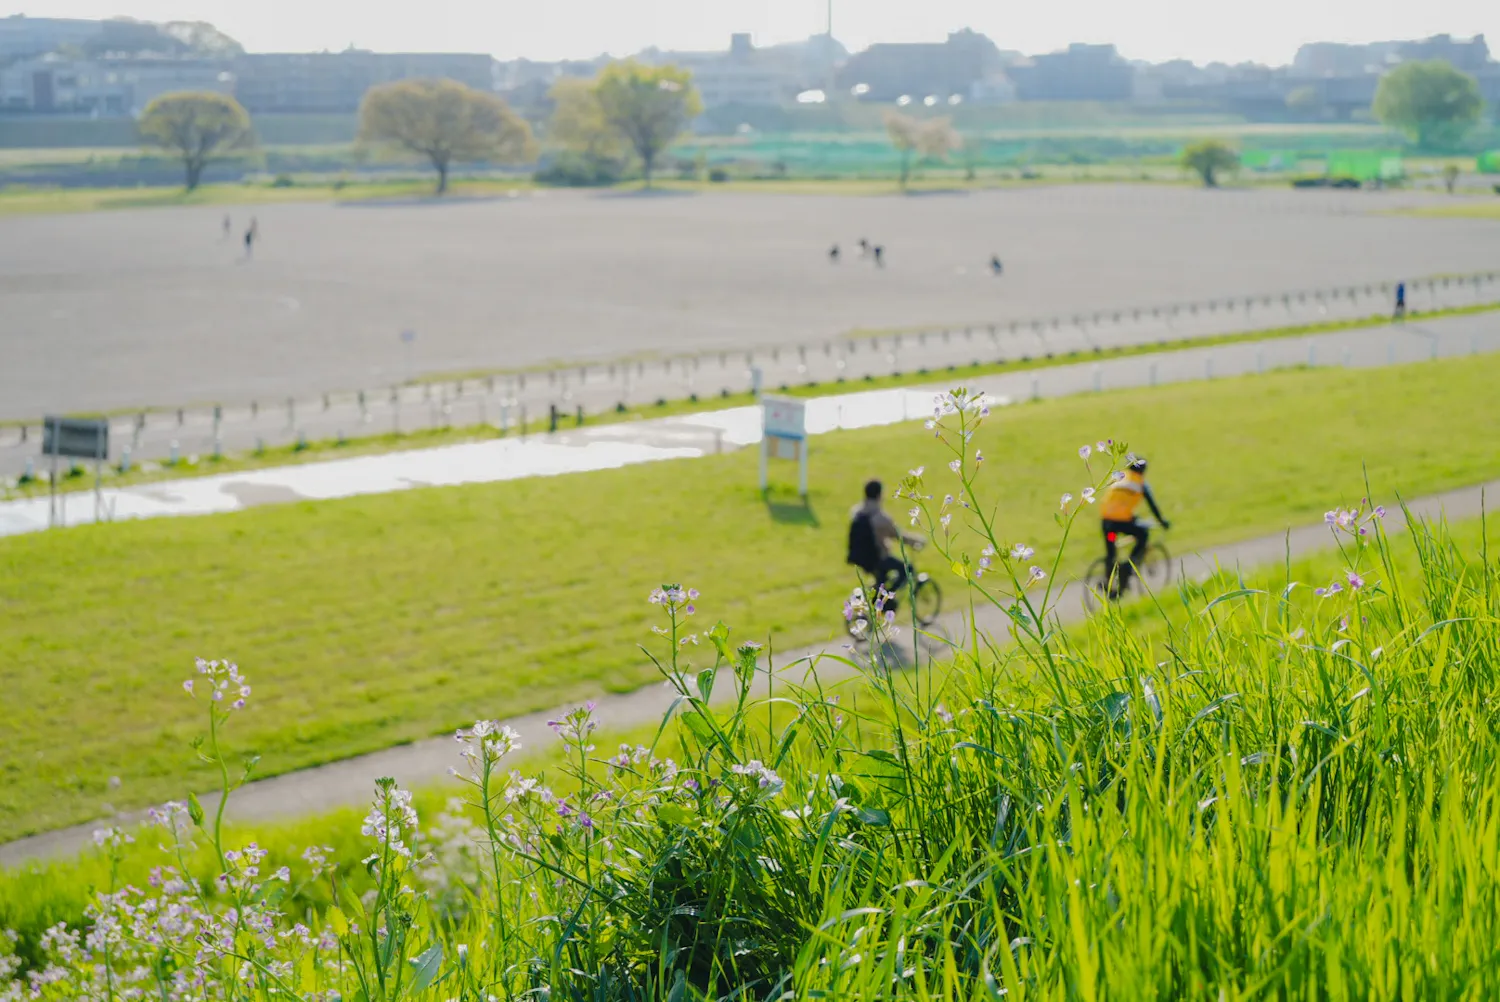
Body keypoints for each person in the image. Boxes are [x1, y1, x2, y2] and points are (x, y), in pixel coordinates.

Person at [1098, 457, 1171, 599]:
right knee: (1143, 535)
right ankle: (1127, 567)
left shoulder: (1118, 477)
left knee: (1111, 550)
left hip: (1107, 521)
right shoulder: (1140, 483)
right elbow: (1153, 506)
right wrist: (1162, 521)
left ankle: (1109, 581)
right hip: (1123, 521)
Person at [847, 479, 922, 610]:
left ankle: (878, 599)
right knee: (908, 570)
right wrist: (917, 541)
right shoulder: (880, 517)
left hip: (859, 557)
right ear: (879, 495)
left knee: (881, 580)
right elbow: (899, 535)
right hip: (878, 557)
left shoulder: (856, 512)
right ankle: (887, 597)